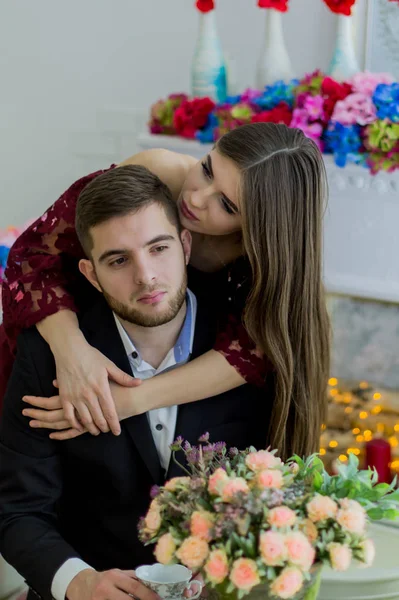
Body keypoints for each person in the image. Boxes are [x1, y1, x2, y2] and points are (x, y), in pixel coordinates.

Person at [0, 165, 273, 600]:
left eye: (158, 248)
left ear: (185, 245)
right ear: (90, 274)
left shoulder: (253, 349)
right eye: (118, 260)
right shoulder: (45, 353)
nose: (145, 276)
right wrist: (81, 582)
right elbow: (17, 509)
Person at [0, 123, 330, 459]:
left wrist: (131, 400)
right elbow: (33, 255)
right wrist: (73, 353)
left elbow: (251, 350)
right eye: (207, 169)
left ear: (259, 226)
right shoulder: (159, 170)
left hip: (184, 384)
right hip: (80, 328)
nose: (196, 197)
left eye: (227, 206)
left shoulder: (265, 256)